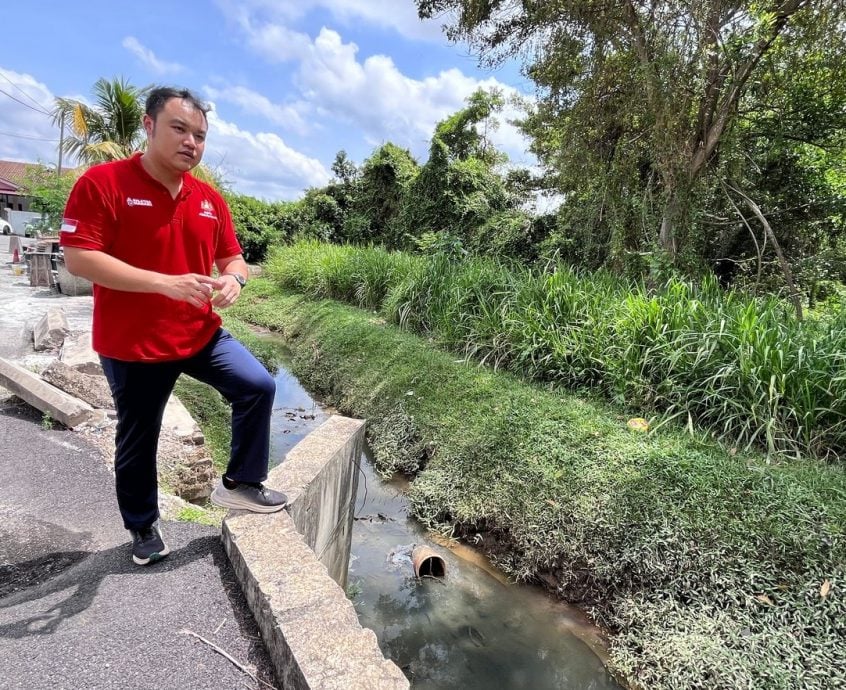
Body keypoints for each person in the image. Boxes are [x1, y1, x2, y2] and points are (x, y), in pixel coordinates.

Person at [60, 86, 287, 566]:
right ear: (149, 126)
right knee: (140, 435)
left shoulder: (209, 199)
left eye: (200, 135)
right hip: (133, 344)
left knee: (258, 386)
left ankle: (241, 484)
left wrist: (234, 281)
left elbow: (235, 258)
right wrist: (163, 284)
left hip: (199, 333)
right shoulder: (103, 183)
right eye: (179, 129)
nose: (191, 143)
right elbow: (80, 258)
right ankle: (142, 526)